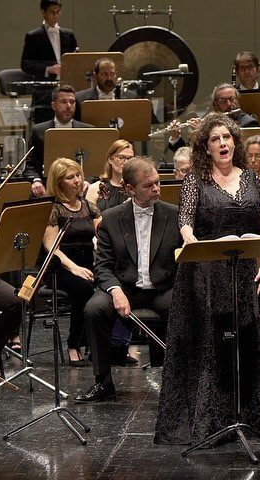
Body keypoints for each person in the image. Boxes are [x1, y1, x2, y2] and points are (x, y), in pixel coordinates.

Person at [154, 113, 260, 444]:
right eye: (215, 139)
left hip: (244, 271)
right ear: (206, 147)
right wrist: (190, 239)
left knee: (245, 341)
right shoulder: (195, 180)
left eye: (227, 137)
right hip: (206, 272)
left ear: (235, 141)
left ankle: (248, 415)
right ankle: (212, 419)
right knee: (214, 341)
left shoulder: (251, 179)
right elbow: (186, 219)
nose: (223, 143)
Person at [75, 157, 180, 402]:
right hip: (124, 286)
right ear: (130, 189)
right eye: (148, 185)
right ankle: (103, 382)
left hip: (161, 289)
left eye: (157, 183)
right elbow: (102, 265)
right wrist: (115, 290)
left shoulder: (174, 215)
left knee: (186, 304)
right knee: (93, 309)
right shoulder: (111, 218)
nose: (156, 189)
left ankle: (179, 379)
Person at [43, 158, 100, 367]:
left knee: (110, 285)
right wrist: (75, 268)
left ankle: (102, 345)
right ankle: (74, 343)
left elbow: (99, 234)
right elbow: (52, 248)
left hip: (87, 263)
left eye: (78, 175)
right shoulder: (54, 209)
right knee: (85, 289)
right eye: (70, 177)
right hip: (60, 268)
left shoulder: (89, 206)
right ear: (59, 183)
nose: (77, 181)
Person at [24, 85, 92, 197]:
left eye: (72, 102)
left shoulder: (87, 130)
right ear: (54, 105)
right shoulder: (39, 130)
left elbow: (93, 163)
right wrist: (36, 180)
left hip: (79, 186)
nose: (69, 106)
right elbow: (31, 165)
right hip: (49, 187)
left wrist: (87, 180)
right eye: (63, 102)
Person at [167, 83, 259, 153]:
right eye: (223, 101)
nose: (229, 104)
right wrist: (176, 138)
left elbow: (234, 153)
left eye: (232, 99)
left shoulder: (248, 123)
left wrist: (202, 133)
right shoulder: (210, 121)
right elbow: (190, 156)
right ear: (215, 104)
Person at [20, 0, 78, 80]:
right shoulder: (33, 36)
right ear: (43, 12)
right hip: (44, 86)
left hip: (67, 82)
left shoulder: (69, 35)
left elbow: (75, 59)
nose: (56, 15)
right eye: (52, 12)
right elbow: (25, 64)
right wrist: (47, 69)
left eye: (58, 12)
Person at [85, 139, 134, 211]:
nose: (126, 162)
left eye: (130, 158)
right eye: (121, 158)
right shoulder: (96, 188)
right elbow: (89, 219)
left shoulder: (137, 187)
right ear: (110, 159)